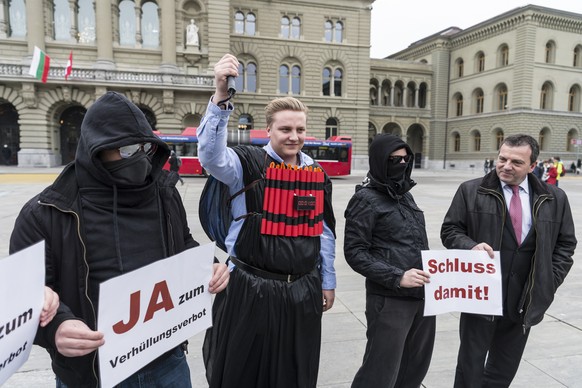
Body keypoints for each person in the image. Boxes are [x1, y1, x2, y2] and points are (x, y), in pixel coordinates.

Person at [9, 91, 229, 388]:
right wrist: (56, 328)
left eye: (144, 147)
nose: (138, 157)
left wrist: (209, 266)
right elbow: (24, 295)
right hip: (92, 374)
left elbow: (184, 243)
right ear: (96, 149)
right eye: (126, 150)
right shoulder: (45, 213)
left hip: (167, 364)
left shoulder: (164, 193)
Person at [198, 53, 336, 388]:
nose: (294, 136)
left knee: (294, 375)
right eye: (285, 129)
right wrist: (220, 96)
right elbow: (210, 155)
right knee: (239, 374)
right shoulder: (243, 164)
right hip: (249, 288)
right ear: (269, 129)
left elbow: (325, 231)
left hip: (302, 290)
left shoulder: (317, 173)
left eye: (300, 129)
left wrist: (327, 280)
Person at [441, 134, 576, 388]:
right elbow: (450, 231)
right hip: (480, 296)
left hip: (525, 299)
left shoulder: (555, 198)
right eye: (502, 159)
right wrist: (470, 246)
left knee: (504, 369)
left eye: (516, 162)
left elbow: (566, 244)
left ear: (532, 165)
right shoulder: (471, 191)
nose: (505, 166)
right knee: (470, 367)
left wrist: (548, 279)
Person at [344, 134, 435, 388]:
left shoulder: (404, 194)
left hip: (423, 297)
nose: (402, 164)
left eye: (406, 159)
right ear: (380, 160)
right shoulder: (365, 199)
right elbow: (355, 252)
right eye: (395, 159)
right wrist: (397, 277)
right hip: (389, 299)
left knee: (414, 368)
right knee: (380, 372)